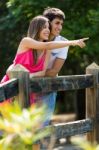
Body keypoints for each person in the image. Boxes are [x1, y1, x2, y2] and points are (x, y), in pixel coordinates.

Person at [0, 15, 88, 150]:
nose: (48, 30)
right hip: (10, 88)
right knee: (6, 130)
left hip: (27, 91)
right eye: (44, 27)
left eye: (48, 27)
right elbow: (46, 44)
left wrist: (27, 76)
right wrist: (73, 42)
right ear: (36, 28)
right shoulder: (26, 41)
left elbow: (42, 72)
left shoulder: (47, 50)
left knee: (26, 132)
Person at [41, 7, 69, 126]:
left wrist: (31, 72)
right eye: (57, 23)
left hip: (48, 89)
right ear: (47, 23)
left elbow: (53, 72)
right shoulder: (36, 39)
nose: (60, 27)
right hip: (27, 88)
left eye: (61, 24)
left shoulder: (63, 43)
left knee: (41, 128)